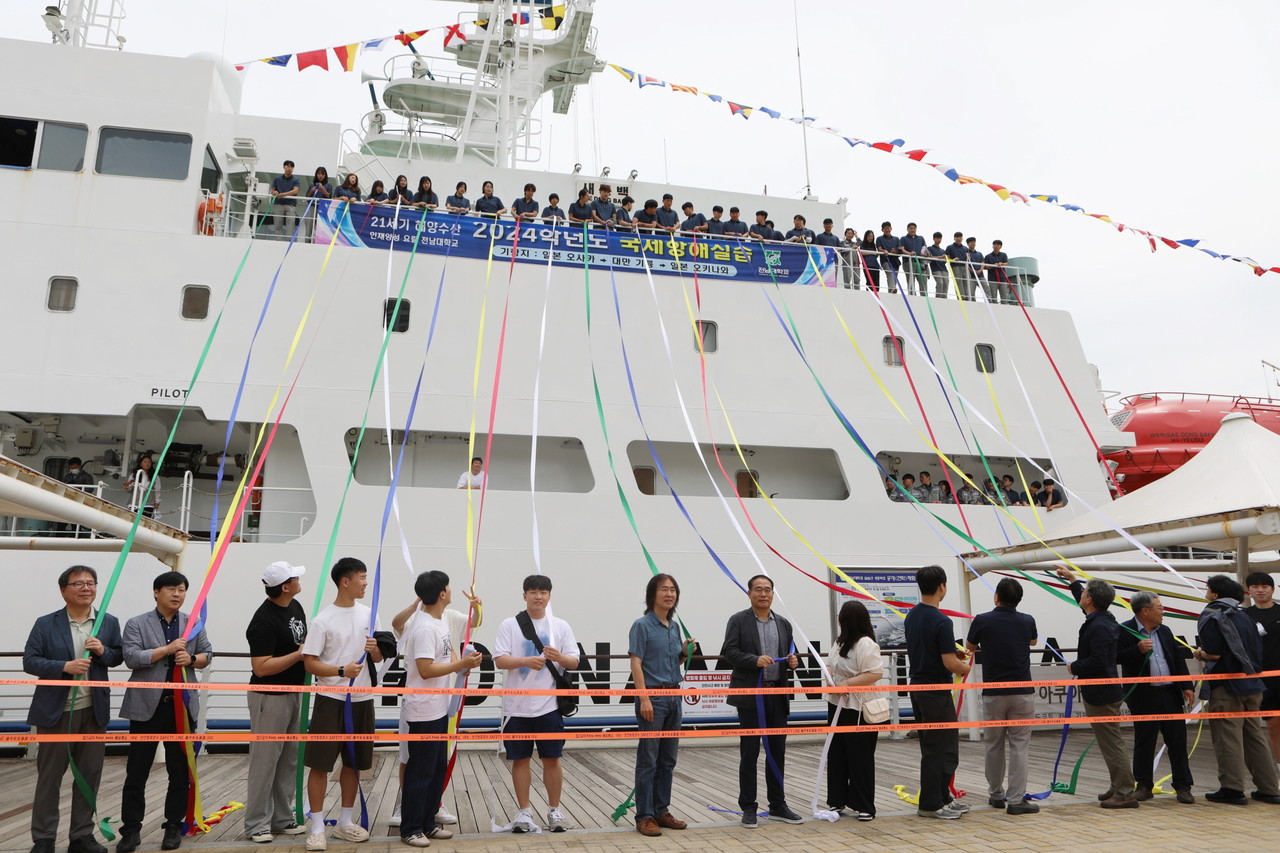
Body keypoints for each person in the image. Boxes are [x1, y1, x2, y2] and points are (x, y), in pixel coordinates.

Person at [25, 566, 123, 853]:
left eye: (90, 583)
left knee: (88, 776)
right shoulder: (46, 623)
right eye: (78, 583)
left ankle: (81, 837)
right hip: (56, 713)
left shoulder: (107, 621)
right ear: (63, 590)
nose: (85, 588)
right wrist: (63, 667)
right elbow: (30, 661)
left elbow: (118, 656)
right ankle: (44, 839)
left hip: (93, 711)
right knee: (49, 778)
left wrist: (104, 651)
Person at [118, 572, 214, 852]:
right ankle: (131, 829)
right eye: (171, 589)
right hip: (146, 707)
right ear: (156, 592)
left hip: (181, 707)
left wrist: (192, 659)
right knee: (137, 771)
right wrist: (167, 650)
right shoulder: (137, 623)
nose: (177, 594)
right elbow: (131, 657)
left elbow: (208, 653)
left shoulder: (193, 622)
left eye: (182, 590)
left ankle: (173, 826)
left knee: (179, 770)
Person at [301, 557, 384, 851]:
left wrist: (375, 652)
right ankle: (317, 827)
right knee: (320, 765)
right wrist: (339, 672)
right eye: (361, 577)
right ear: (345, 582)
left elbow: (378, 659)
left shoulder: (370, 615)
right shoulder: (322, 620)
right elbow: (310, 663)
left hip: (363, 699)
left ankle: (345, 822)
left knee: (354, 763)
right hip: (331, 699)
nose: (365, 582)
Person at [397, 571, 484, 847]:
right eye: (447, 587)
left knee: (435, 770)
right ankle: (410, 827)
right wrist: (461, 666)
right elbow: (424, 670)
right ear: (442, 594)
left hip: (438, 708)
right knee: (420, 771)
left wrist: (464, 662)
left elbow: (448, 656)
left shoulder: (439, 621)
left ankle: (427, 822)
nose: (450, 589)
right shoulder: (424, 627)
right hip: (423, 711)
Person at [493, 575, 580, 833]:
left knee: (552, 759)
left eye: (543, 592)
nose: (538, 596)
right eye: (533, 591)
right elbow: (500, 659)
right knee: (519, 760)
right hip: (515, 707)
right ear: (524, 595)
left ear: (550, 596)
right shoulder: (510, 624)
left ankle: (554, 811)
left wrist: (559, 656)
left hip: (549, 706)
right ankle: (524, 812)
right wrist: (525, 662)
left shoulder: (560, 626)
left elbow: (574, 661)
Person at [720, 574, 804, 828]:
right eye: (758, 589)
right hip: (750, 696)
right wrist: (753, 660)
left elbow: (790, 652)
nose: (763, 594)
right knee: (749, 752)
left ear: (773, 594)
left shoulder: (783, 623)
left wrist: (793, 661)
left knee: (777, 751)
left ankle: (778, 805)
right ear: (749, 593)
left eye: (768, 590)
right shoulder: (738, 620)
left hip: (777, 695)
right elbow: (729, 652)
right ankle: (748, 807)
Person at [1194, 574, 1280, 805]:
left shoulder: (1212, 614)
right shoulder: (1244, 616)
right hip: (1253, 684)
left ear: (1215, 593)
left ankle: (1232, 788)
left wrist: (1200, 653)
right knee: (1255, 737)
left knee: (1227, 738)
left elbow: (1214, 653)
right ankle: (1269, 788)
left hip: (1227, 686)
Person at [1056, 566, 1137, 808]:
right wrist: (1072, 581)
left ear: (1090, 599)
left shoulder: (1099, 625)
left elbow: (1099, 661)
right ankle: (1117, 785)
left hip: (1102, 693)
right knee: (1109, 743)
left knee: (1112, 744)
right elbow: (1084, 606)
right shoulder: (1102, 618)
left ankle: (1125, 792)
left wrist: (1075, 666)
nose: (1081, 597)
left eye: (1084, 593)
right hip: (1105, 690)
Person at [243, 562, 310, 843]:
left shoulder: (295, 607)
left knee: (289, 760)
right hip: (269, 697)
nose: (298, 580)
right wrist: (298, 655)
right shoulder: (263, 621)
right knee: (265, 762)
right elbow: (261, 667)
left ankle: (283, 818)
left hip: (295, 693)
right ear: (285, 586)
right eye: (295, 577)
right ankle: (257, 823)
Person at [965, 578, 1039, 815]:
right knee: (1020, 746)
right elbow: (1033, 641)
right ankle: (1017, 800)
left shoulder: (983, 620)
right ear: (1019, 599)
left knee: (993, 744)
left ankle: (996, 794)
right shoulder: (1027, 620)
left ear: (996, 596)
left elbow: (969, 646)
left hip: (994, 692)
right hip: (1022, 692)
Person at [904, 565, 971, 819]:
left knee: (935, 746)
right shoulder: (942, 621)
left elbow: (931, 650)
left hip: (918, 688)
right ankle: (931, 804)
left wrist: (953, 656)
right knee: (940, 748)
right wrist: (964, 667)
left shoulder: (912, 616)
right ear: (942, 586)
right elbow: (950, 664)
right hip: (935, 690)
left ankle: (942, 796)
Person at [1117, 591, 1195, 804]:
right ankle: (1143, 785)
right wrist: (1137, 649)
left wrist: (1187, 686)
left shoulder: (1165, 630)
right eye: (1159, 608)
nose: (1163, 612)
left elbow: (1177, 659)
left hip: (1169, 692)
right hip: (1143, 694)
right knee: (1145, 740)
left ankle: (1183, 786)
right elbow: (1115, 656)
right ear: (1145, 611)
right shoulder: (1125, 630)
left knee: (1177, 740)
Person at [628, 574, 690, 837]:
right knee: (648, 760)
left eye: (673, 590)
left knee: (668, 760)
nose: (669, 594)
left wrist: (685, 652)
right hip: (652, 698)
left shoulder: (673, 627)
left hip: (675, 696)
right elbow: (636, 663)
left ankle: (661, 810)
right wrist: (643, 698)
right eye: (664, 589)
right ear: (652, 594)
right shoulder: (641, 625)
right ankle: (644, 816)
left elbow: (671, 663)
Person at [824, 600, 883, 821]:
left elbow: (875, 673)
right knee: (837, 753)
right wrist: (830, 678)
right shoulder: (839, 642)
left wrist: (846, 685)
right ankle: (836, 801)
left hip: (859, 707)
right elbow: (831, 665)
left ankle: (865, 805)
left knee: (860, 757)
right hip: (837, 704)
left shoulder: (866, 644)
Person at [1244, 572, 1280, 770]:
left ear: (1272, 589)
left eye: (1265, 586)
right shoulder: (1244, 616)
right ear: (1248, 590)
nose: (1260, 589)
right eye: (1255, 586)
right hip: (1259, 679)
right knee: (1272, 725)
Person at [269, 159, 300, 238]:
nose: (290, 168)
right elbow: (273, 190)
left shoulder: (296, 180)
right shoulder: (277, 179)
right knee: (277, 224)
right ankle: (278, 241)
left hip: (290, 204)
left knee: (290, 224)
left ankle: (289, 243)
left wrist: (282, 194)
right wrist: (274, 192)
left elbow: (295, 191)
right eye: (288, 166)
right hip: (278, 203)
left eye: (292, 167)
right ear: (284, 167)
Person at [124, 453, 159, 518]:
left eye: (149, 462)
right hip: (134, 503)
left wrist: (157, 502)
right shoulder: (134, 475)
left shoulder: (155, 477)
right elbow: (129, 490)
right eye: (145, 462)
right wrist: (127, 485)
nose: (147, 464)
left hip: (148, 504)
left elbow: (157, 490)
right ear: (141, 464)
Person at [304, 167, 333, 240]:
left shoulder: (329, 185)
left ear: (325, 175)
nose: (320, 176)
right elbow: (307, 196)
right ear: (316, 175)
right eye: (319, 174)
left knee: (320, 225)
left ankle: (318, 240)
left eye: (322, 174)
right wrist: (312, 190)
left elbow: (329, 197)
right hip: (312, 206)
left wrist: (322, 189)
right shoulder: (312, 185)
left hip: (323, 208)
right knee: (309, 223)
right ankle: (307, 240)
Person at [899, 222, 926, 296]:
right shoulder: (903, 238)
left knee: (923, 280)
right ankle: (912, 296)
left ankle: (924, 297)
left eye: (914, 228)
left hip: (920, 262)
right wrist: (909, 253)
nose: (912, 230)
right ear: (907, 229)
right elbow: (902, 249)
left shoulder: (921, 238)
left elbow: (924, 247)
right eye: (910, 228)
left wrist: (922, 253)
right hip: (908, 262)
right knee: (910, 280)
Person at [875, 222, 902, 293]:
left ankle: (891, 291)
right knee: (890, 273)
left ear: (891, 229)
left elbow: (899, 249)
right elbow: (879, 248)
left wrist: (895, 251)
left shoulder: (896, 239)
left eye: (888, 228)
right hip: (885, 260)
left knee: (895, 277)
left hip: (895, 261)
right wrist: (885, 251)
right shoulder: (879, 238)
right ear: (882, 230)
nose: (887, 230)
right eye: (885, 229)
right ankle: (893, 288)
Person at [945, 232, 972, 300]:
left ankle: (968, 297)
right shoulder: (950, 247)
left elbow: (968, 259)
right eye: (957, 237)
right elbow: (947, 258)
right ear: (954, 238)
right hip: (955, 266)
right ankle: (961, 297)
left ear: (962, 238)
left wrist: (968, 257)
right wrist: (953, 260)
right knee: (958, 282)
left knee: (967, 281)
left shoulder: (965, 248)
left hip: (964, 266)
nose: (958, 238)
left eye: (960, 237)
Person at [985, 240, 1013, 304]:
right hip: (992, 278)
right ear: (992, 246)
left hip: (1002, 278)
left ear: (1000, 246)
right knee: (993, 297)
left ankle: (1004, 308)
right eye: (994, 244)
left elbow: (1006, 263)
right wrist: (992, 266)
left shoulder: (1003, 255)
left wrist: (1001, 264)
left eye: (998, 245)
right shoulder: (988, 256)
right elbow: (984, 267)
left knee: (1004, 296)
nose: (996, 246)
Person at [925, 231, 949, 298]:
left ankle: (944, 298)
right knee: (940, 283)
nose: (938, 240)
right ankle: (938, 297)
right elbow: (928, 257)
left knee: (946, 283)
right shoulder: (930, 248)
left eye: (940, 238)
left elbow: (945, 261)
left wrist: (948, 258)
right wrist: (940, 257)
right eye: (937, 238)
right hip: (935, 269)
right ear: (934, 239)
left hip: (944, 269)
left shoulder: (943, 251)